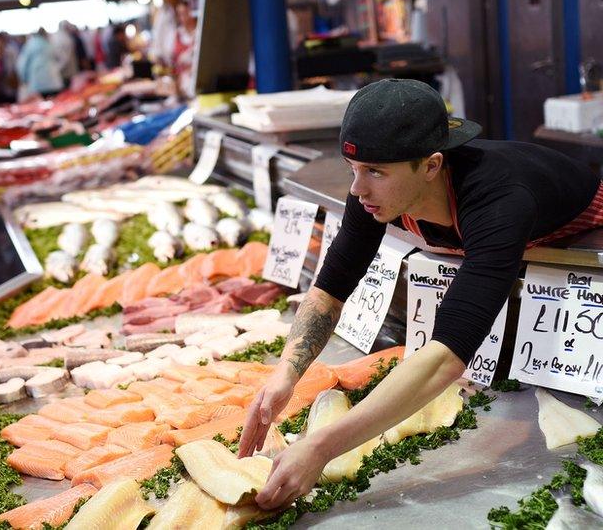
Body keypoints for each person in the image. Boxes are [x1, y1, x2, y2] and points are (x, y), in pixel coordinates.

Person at [237, 78, 603, 510]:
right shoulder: (374, 194)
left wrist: (319, 448)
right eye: (352, 169)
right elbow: (330, 288)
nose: (357, 189)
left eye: (375, 171)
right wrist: (286, 374)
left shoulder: (499, 198)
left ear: (431, 166)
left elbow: (446, 356)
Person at [16, 28, 63, 99]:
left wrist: (24, 79)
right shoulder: (49, 44)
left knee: (40, 106)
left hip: (37, 84)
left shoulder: (30, 45)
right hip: (54, 82)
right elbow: (59, 59)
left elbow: (22, 64)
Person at [51, 21, 78, 87]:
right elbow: (64, 58)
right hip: (65, 70)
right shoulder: (63, 38)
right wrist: (57, 69)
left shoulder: (59, 37)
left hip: (66, 69)